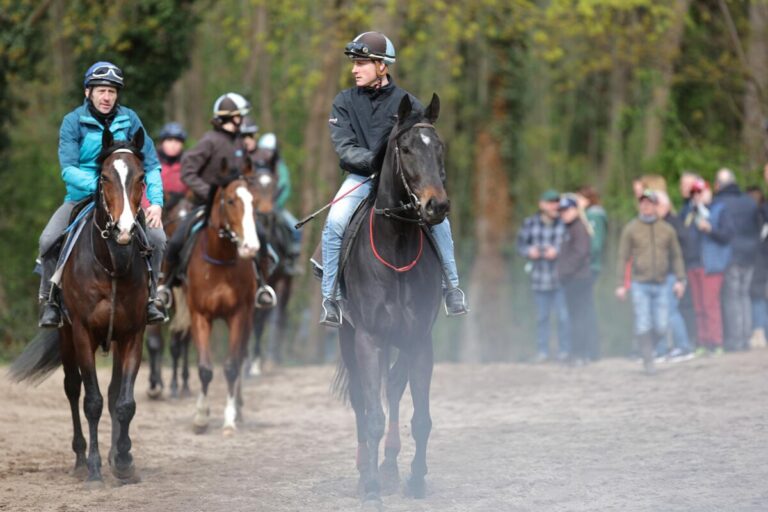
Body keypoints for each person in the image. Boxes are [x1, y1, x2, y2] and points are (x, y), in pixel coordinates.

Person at [319, 31, 468, 327]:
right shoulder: (343, 102)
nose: (354, 69)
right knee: (335, 220)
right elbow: (345, 147)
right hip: (360, 177)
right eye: (354, 62)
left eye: (362, 62)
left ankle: (451, 288)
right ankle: (331, 298)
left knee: (441, 223)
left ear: (382, 66)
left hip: (402, 183)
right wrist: (375, 162)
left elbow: (421, 149)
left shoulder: (408, 103)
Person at [38, 61, 166, 327]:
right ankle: (50, 301)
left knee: (157, 237)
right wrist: (100, 186)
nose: (107, 97)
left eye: (112, 91)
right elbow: (69, 169)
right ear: (88, 93)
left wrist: (156, 203)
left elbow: (151, 164)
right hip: (82, 196)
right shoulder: (73, 122)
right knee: (48, 239)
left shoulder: (130, 119)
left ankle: (151, 299)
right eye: (101, 91)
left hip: (123, 199)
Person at [160, 92, 249, 287]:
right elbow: (187, 171)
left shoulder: (239, 142)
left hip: (234, 207)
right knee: (174, 244)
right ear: (233, 117)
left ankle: (261, 284)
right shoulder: (210, 141)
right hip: (204, 206)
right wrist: (210, 193)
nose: (243, 120)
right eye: (240, 116)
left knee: (261, 236)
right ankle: (164, 287)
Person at [615, 190, 685, 374]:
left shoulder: (667, 229)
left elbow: (676, 256)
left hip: (662, 283)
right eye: (643, 203)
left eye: (649, 203)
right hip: (640, 283)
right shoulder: (631, 229)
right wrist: (621, 283)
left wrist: (680, 279)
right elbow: (623, 257)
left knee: (662, 325)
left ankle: (646, 349)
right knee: (643, 322)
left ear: (656, 206)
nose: (646, 206)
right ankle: (648, 360)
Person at [517, 189, 570, 362]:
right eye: (551, 202)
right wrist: (529, 252)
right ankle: (543, 352)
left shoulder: (564, 223)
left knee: (563, 317)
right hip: (539, 279)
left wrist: (558, 252)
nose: (555, 205)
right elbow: (520, 246)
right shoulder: (530, 223)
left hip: (561, 279)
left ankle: (564, 352)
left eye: (557, 202)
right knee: (542, 318)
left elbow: (572, 248)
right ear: (542, 204)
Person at [683, 180, 731, 355]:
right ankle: (702, 341)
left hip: (711, 264)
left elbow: (727, 235)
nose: (697, 196)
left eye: (700, 192)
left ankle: (716, 342)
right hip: (693, 263)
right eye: (694, 194)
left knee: (711, 305)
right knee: (699, 306)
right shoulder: (689, 212)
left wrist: (710, 229)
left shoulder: (719, 209)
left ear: (708, 191)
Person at [714, 168, 760, 351]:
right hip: (749, 255)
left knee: (732, 297)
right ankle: (745, 337)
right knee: (744, 295)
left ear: (719, 184)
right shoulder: (749, 202)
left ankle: (735, 340)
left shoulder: (719, 203)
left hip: (730, 255)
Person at [249, 132, 302, 275]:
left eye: (269, 151)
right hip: (256, 208)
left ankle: (292, 260)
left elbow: (285, 187)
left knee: (295, 227)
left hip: (275, 207)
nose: (266, 154)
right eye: (263, 150)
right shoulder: (254, 165)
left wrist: (275, 204)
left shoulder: (279, 167)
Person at [655, 190, 694, 360]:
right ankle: (663, 349)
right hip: (661, 275)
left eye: (657, 205)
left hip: (672, 274)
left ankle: (683, 346)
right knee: (662, 313)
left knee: (671, 311)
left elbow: (683, 252)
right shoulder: (658, 225)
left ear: (665, 206)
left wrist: (680, 278)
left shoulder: (674, 224)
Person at [556, 196, 593, 365]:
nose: (563, 214)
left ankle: (581, 353)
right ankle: (576, 353)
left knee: (579, 317)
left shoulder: (578, 228)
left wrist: (563, 271)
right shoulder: (569, 228)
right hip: (572, 279)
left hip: (578, 279)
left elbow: (580, 253)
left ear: (575, 210)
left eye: (566, 210)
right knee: (574, 317)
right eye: (561, 211)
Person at [577, 185, 606, 359]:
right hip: (586, 267)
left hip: (590, 267)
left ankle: (592, 350)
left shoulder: (594, 215)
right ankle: (589, 349)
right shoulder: (589, 215)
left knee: (586, 309)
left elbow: (595, 244)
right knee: (585, 308)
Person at [155, 121, 188, 210]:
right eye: (169, 140)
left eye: (177, 141)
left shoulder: (188, 163)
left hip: (181, 210)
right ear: (162, 142)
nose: (173, 145)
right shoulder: (150, 162)